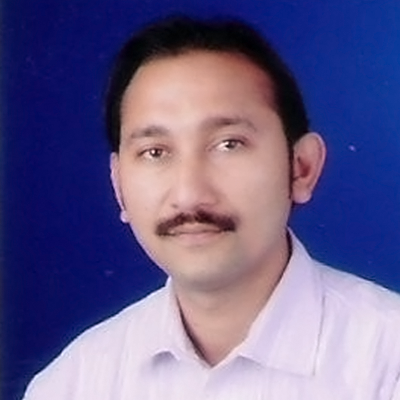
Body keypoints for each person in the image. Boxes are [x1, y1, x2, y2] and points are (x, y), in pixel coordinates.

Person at [22, 15, 400, 400]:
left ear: (301, 168)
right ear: (119, 187)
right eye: (155, 152)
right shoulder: (73, 383)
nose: (189, 194)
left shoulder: (388, 361)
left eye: (229, 144)